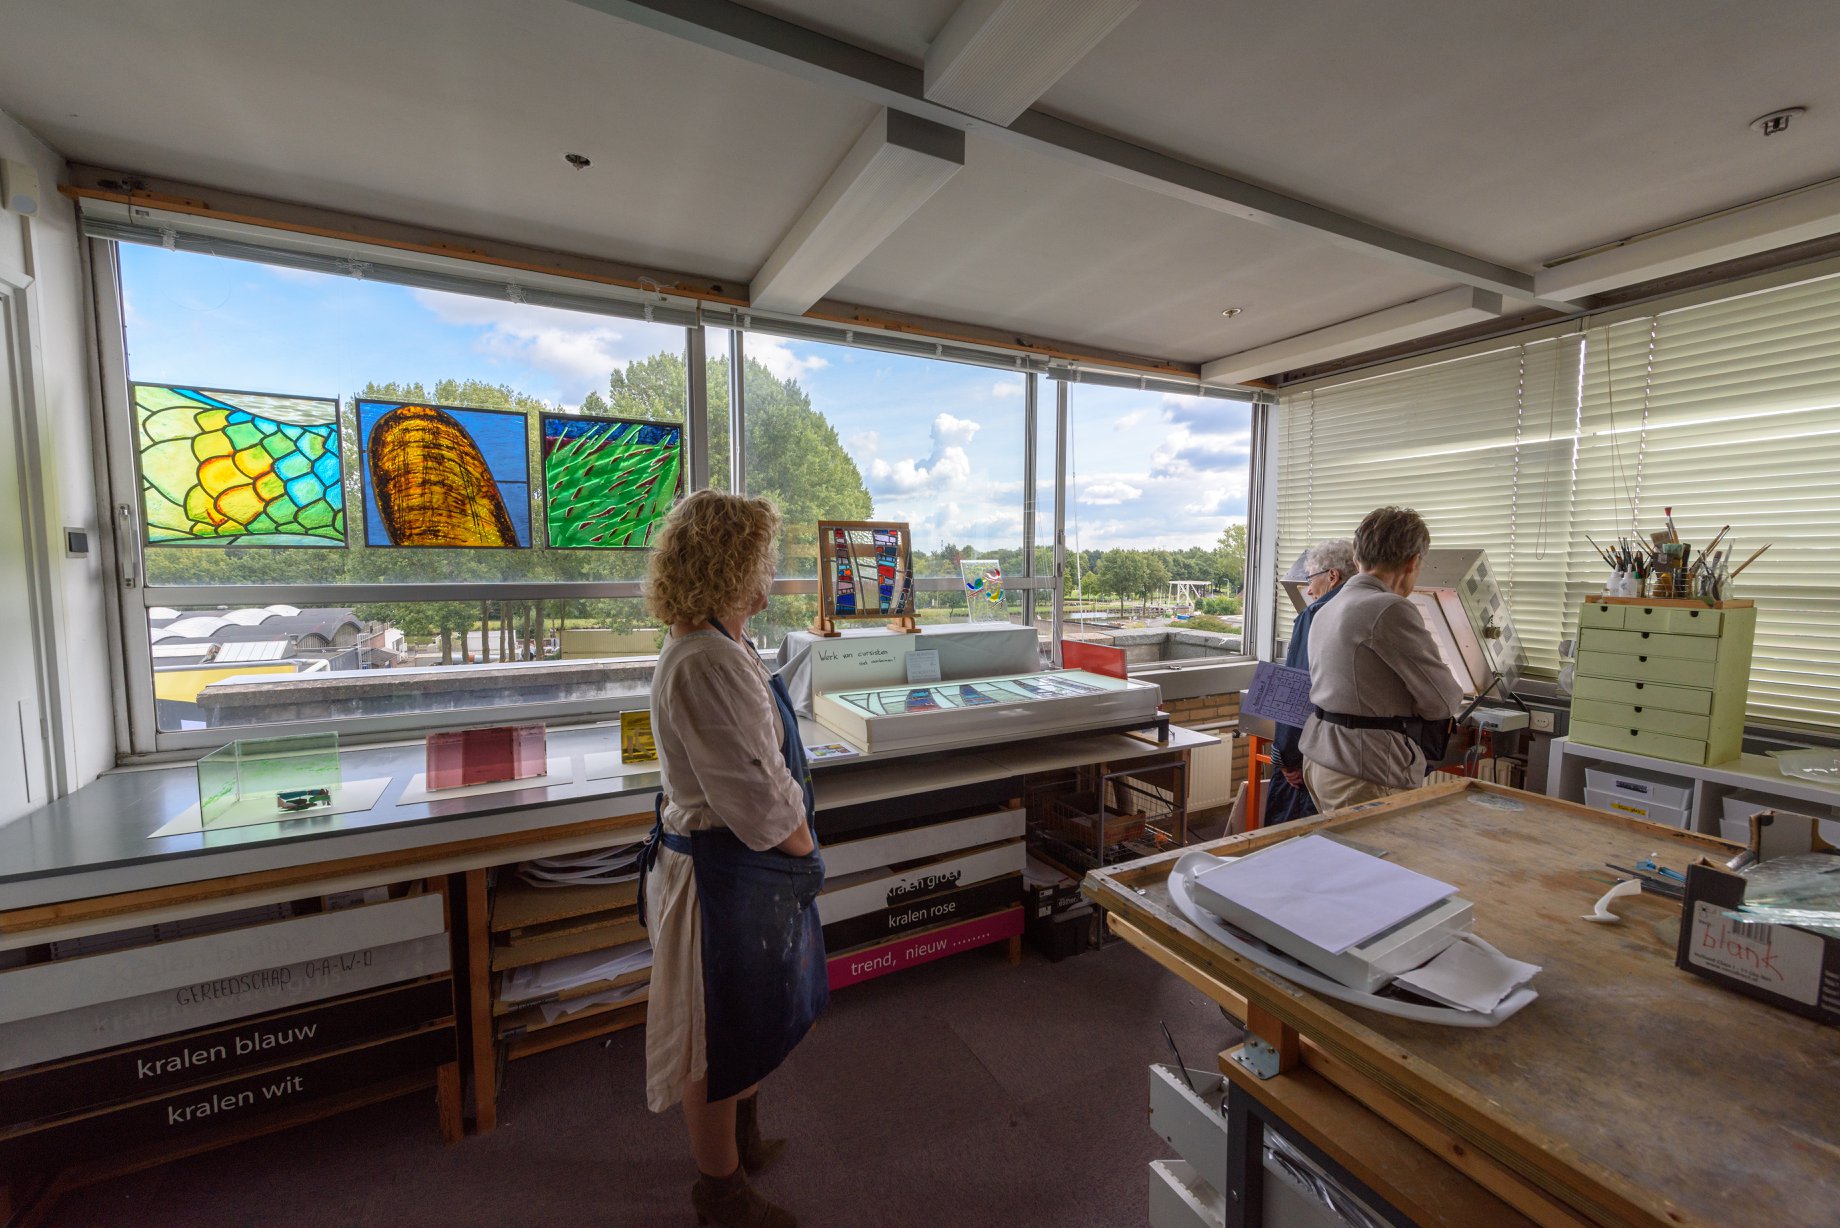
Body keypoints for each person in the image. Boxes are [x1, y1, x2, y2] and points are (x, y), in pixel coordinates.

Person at [636, 490, 824, 1228]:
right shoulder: (704, 661)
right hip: (724, 874)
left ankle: (739, 1144)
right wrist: (805, 853)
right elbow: (758, 795)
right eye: (761, 558)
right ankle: (721, 1192)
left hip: (742, 864)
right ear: (728, 565)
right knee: (711, 1041)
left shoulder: (723, 641)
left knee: (746, 1019)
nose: (769, 572)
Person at [1299, 507, 1462, 811]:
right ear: (1413, 562)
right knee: (1374, 844)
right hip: (1363, 767)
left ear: (1357, 558)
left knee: (1337, 842)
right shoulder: (1389, 608)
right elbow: (1443, 700)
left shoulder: (1327, 607)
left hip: (1322, 757)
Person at [1264, 539, 1354, 824]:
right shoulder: (1366, 610)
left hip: (1311, 754)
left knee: (1293, 836)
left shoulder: (1315, 615)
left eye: (1311, 580)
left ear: (1332, 575)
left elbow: (1297, 687)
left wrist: (1286, 758)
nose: (1309, 590)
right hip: (1347, 758)